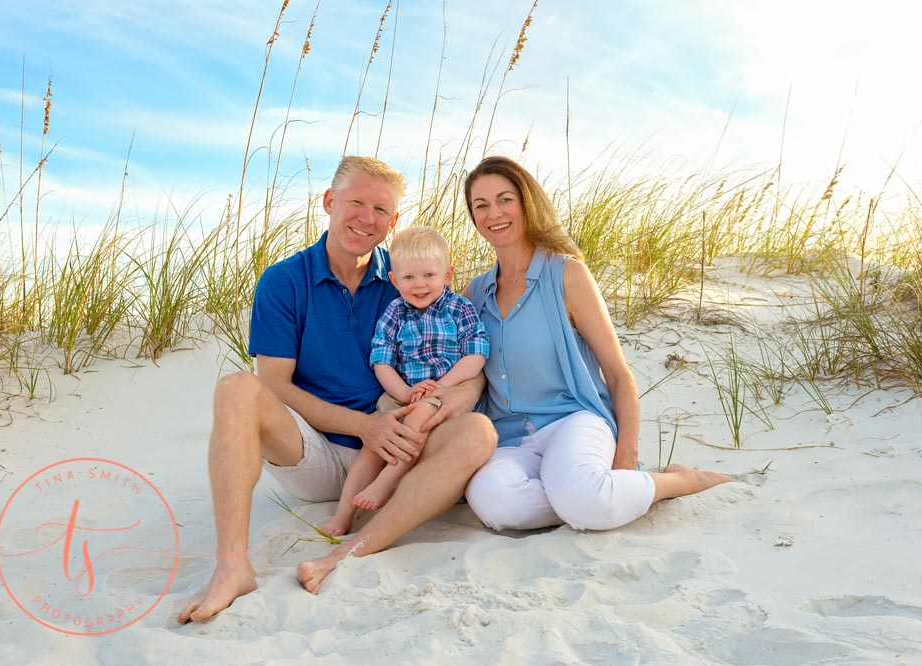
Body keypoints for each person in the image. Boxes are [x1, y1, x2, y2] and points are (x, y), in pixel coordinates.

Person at [177, 156, 496, 618]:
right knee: (236, 389)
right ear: (329, 201)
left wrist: (440, 402)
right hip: (316, 453)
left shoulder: (408, 275)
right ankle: (232, 567)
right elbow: (275, 385)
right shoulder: (285, 281)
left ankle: (349, 551)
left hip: (402, 448)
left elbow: (474, 361)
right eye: (356, 202)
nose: (367, 219)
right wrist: (366, 427)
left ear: (394, 221)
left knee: (479, 433)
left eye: (381, 210)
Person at [460, 155, 733, 533]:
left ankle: (680, 481)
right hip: (509, 437)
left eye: (505, 199)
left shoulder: (566, 274)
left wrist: (626, 454)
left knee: (583, 497)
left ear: (526, 202)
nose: (494, 213)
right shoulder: (475, 292)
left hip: (572, 421)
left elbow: (618, 374)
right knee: (498, 506)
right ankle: (589, 494)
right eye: (481, 205)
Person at [321, 226, 490, 537]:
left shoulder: (459, 309)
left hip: (443, 396)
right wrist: (404, 392)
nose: (420, 284)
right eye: (409, 278)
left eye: (428, 275)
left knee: (422, 415)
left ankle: (388, 481)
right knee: (374, 445)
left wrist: (442, 385)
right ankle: (343, 515)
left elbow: (477, 355)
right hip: (401, 394)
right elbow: (381, 360)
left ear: (447, 274)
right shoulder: (395, 312)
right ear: (395, 280)